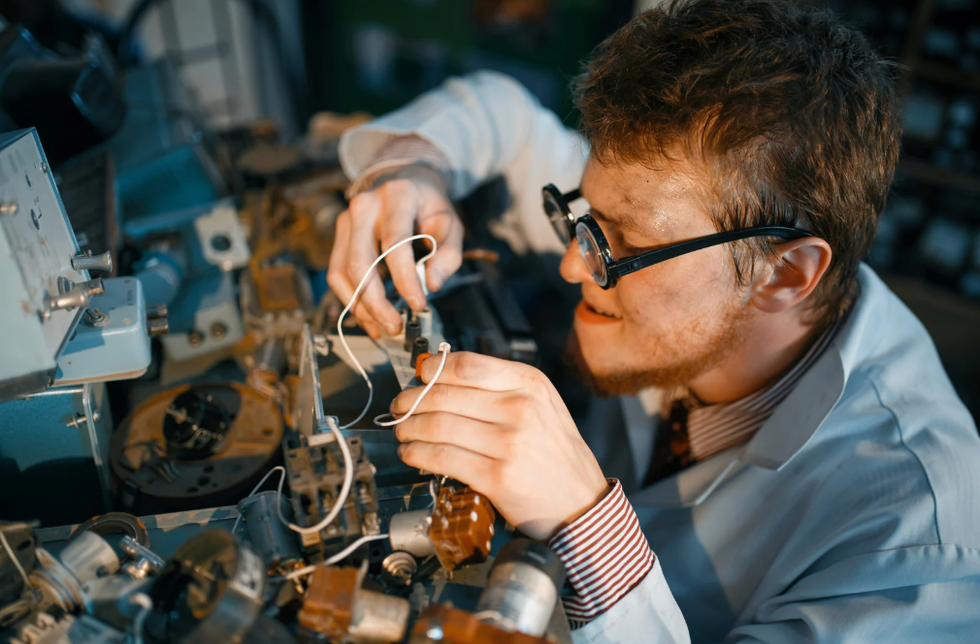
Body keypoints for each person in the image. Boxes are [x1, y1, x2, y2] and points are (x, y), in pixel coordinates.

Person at [328, 1, 980, 642]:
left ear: (784, 274)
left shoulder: (917, 542)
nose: (573, 266)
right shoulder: (683, 216)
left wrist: (587, 526)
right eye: (583, 217)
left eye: (624, 245)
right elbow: (504, 116)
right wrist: (410, 165)